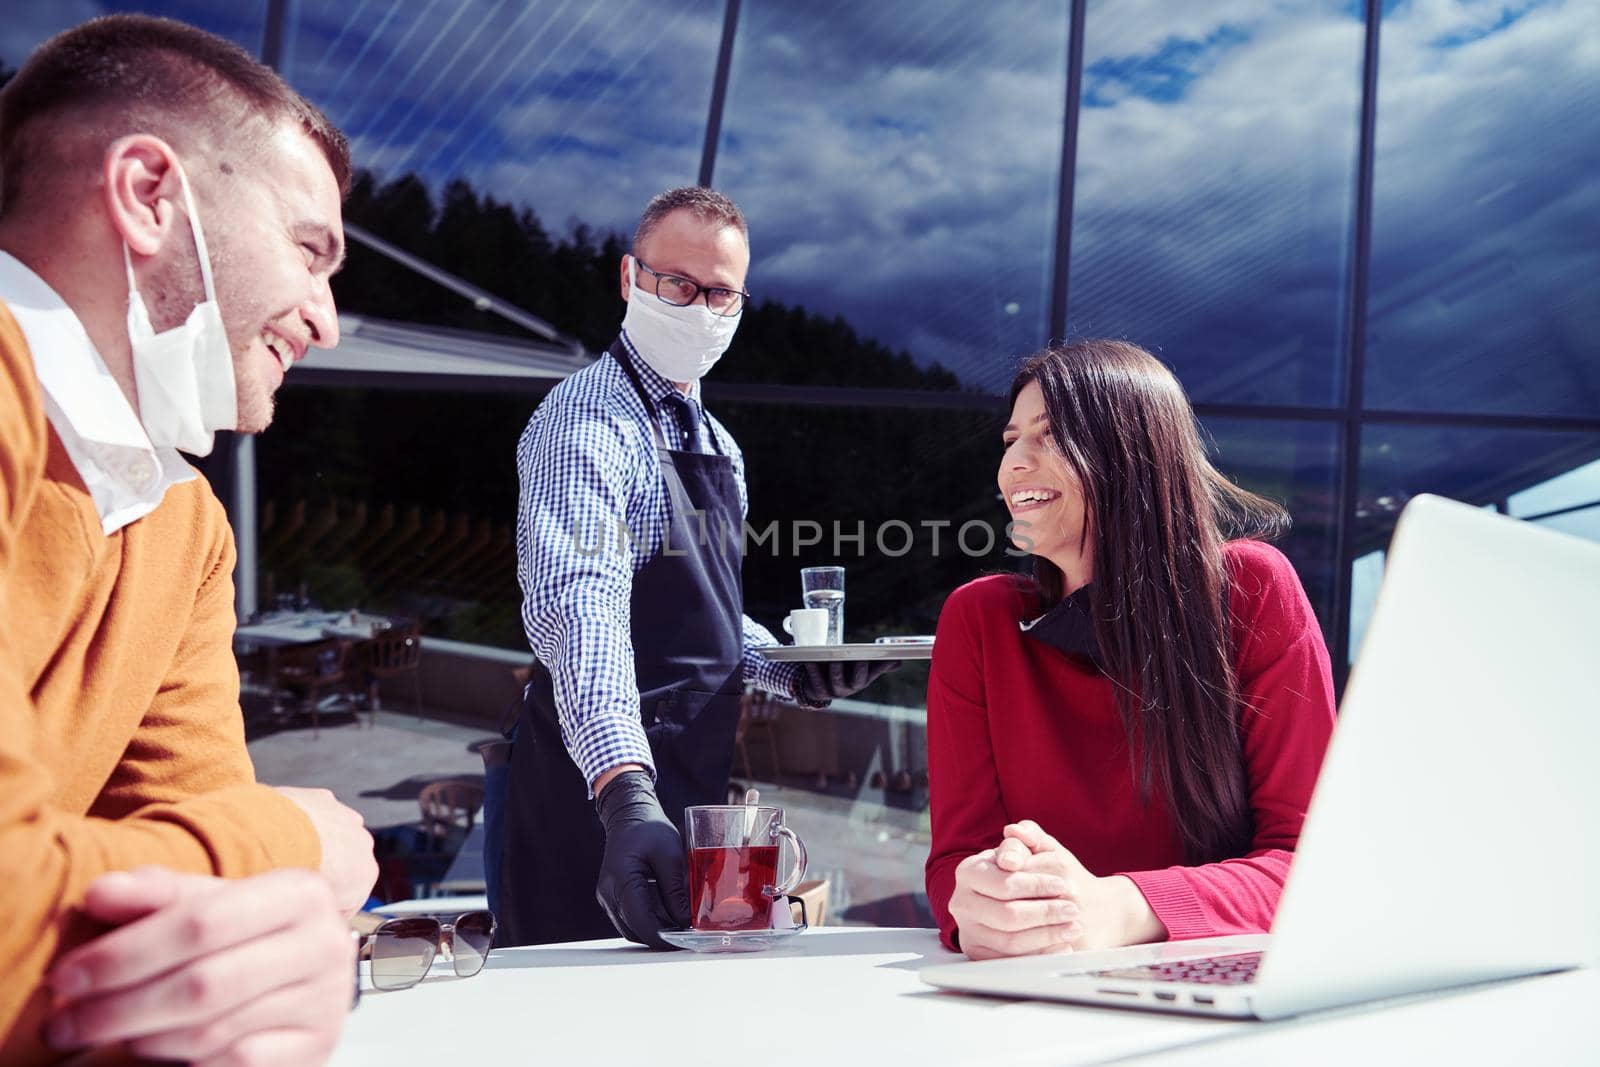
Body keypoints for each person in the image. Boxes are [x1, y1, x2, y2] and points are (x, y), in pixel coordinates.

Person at [0, 15, 376, 1063]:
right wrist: (302, 842)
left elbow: (207, 948)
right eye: (310, 250)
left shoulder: (182, 525)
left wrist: (263, 933)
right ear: (148, 194)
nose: (325, 317)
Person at [503, 187, 893, 948]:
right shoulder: (582, 423)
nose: (697, 308)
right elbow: (580, 604)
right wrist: (623, 792)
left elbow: (707, 611)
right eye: (677, 284)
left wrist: (791, 668)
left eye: (719, 293)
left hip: (694, 782)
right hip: (595, 793)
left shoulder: (720, 445)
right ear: (629, 279)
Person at [924, 340, 1337, 960]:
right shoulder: (979, 618)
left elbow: (1309, 865)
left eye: (1048, 434)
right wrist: (980, 904)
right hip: (1028, 987)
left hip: (1211, 977)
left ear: (1130, 453)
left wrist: (1118, 908)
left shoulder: (1252, 590)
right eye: (1010, 440)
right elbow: (957, 859)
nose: (1013, 465)